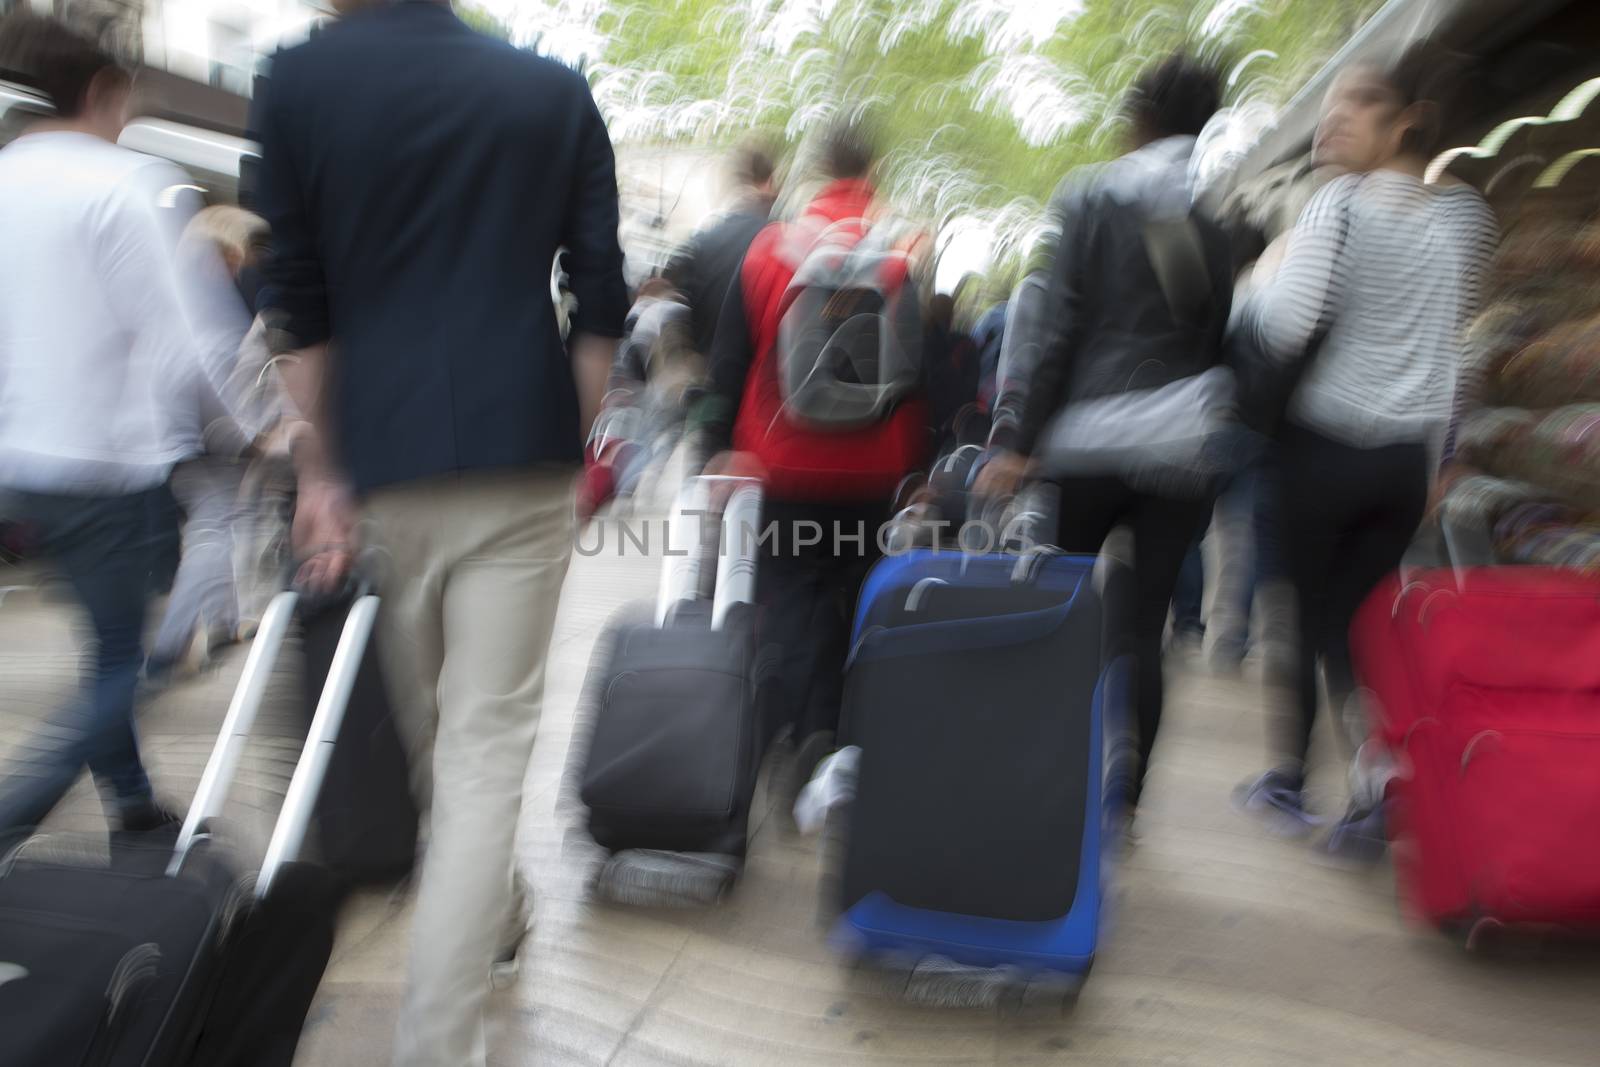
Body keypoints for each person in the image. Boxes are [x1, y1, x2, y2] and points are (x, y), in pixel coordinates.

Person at [251, 1, 627, 1063]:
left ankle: (450, 1007)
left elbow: (298, 295)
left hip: (380, 454)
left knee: (442, 747)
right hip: (522, 448)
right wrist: (576, 438)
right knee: (477, 751)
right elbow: (600, 292)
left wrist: (319, 467)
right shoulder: (550, 88)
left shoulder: (297, 82)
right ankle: (468, 969)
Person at [1233, 44, 1497, 848]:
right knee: (1364, 623)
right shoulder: (1463, 221)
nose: (1333, 118)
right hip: (1401, 465)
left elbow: (1284, 328)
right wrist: (1444, 457)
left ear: (1404, 121)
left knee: (1308, 620)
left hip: (1322, 448)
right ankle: (1379, 779)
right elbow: (1461, 353)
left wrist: (1256, 284)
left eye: (1358, 103)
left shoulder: (1335, 206)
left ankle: (1298, 778)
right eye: (1332, 102)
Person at [978, 53, 1235, 816]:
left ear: (1138, 119)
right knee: (1143, 625)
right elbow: (1216, 335)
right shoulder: (1211, 222)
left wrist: (1018, 442)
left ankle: (1049, 764)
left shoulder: (1091, 199)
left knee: (1061, 604)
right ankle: (1127, 787)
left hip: (1088, 439)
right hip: (1184, 445)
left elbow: (1056, 327)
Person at [0, 14, 228, 832]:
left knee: (107, 646)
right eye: (124, 104)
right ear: (100, 92)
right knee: (128, 665)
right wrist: (249, 426)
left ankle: (132, 800)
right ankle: (10, 815)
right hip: (104, 462)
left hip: (17, 458)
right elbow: (182, 337)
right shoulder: (124, 181)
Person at [701, 118, 932, 794]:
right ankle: (831, 736)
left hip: (781, 462)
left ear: (816, 171)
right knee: (852, 597)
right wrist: (917, 471)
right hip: (874, 468)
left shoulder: (773, 249)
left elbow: (729, 361)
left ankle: (773, 732)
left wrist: (720, 449)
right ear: (875, 172)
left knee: (784, 598)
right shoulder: (899, 254)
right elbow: (920, 375)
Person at [145, 207, 270, 682]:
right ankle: (172, 644)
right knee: (215, 532)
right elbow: (215, 382)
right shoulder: (208, 310)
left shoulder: (176, 300)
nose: (241, 269)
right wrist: (251, 436)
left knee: (217, 527)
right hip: (207, 441)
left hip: (182, 441)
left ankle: (220, 621)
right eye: (236, 258)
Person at [665, 142, 779, 358]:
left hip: (707, 379)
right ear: (769, 182)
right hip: (757, 383)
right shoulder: (780, 240)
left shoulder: (700, 243)